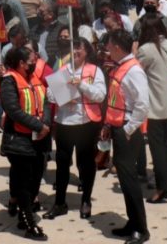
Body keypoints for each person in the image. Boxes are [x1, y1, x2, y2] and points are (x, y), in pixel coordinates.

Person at [46, 34, 105, 220]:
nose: (75, 51)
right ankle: (59, 202)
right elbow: (49, 94)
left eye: (79, 48)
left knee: (86, 164)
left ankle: (86, 199)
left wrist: (82, 86)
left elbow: (101, 95)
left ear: (86, 51)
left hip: (86, 124)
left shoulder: (95, 71)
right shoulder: (64, 69)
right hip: (64, 123)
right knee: (62, 164)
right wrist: (63, 95)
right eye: (73, 48)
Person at [103, 28, 151, 244]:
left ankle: (141, 228)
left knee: (129, 181)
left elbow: (142, 105)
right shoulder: (121, 67)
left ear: (117, 47)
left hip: (127, 130)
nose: (106, 49)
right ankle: (132, 223)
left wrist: (128, 129)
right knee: (124, 179)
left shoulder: (133, 70)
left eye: (109, 45)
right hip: (118, 127)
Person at [0, 44, 50, 241]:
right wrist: (37, 126)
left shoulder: (33, 78)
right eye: (31, 62)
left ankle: (23, 211)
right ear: (21, 63)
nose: (34, 65)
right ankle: (29, 223)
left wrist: (44, 122)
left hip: (39, 138)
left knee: (36, 178)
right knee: (24, 182)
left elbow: (44, 101)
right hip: (20, 140)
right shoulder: (9, 80)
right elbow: (13, 110)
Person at [136, 13, 167, 204]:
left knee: (157, 149)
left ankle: (161, 189)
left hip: (154, 105)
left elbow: (137, 71)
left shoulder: (146, 49)